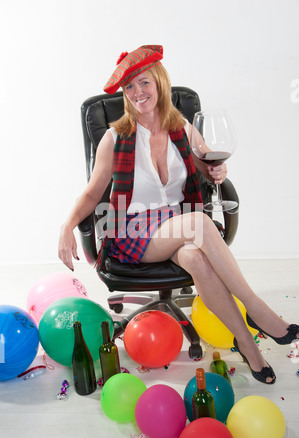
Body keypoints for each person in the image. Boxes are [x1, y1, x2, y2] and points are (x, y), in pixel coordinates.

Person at [58, 45, 299, 384]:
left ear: (159, 82)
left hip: (178, 222)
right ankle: (258, 312)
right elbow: (92, 193)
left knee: (197, 259)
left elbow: (207, 166)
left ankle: (247, 344)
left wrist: (218, 171)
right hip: (133, 229)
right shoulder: (115, 137)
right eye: (129, 88)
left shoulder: (182, 127)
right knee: (199, 223)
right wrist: (67, 225)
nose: (137, 93)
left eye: (143, 83)